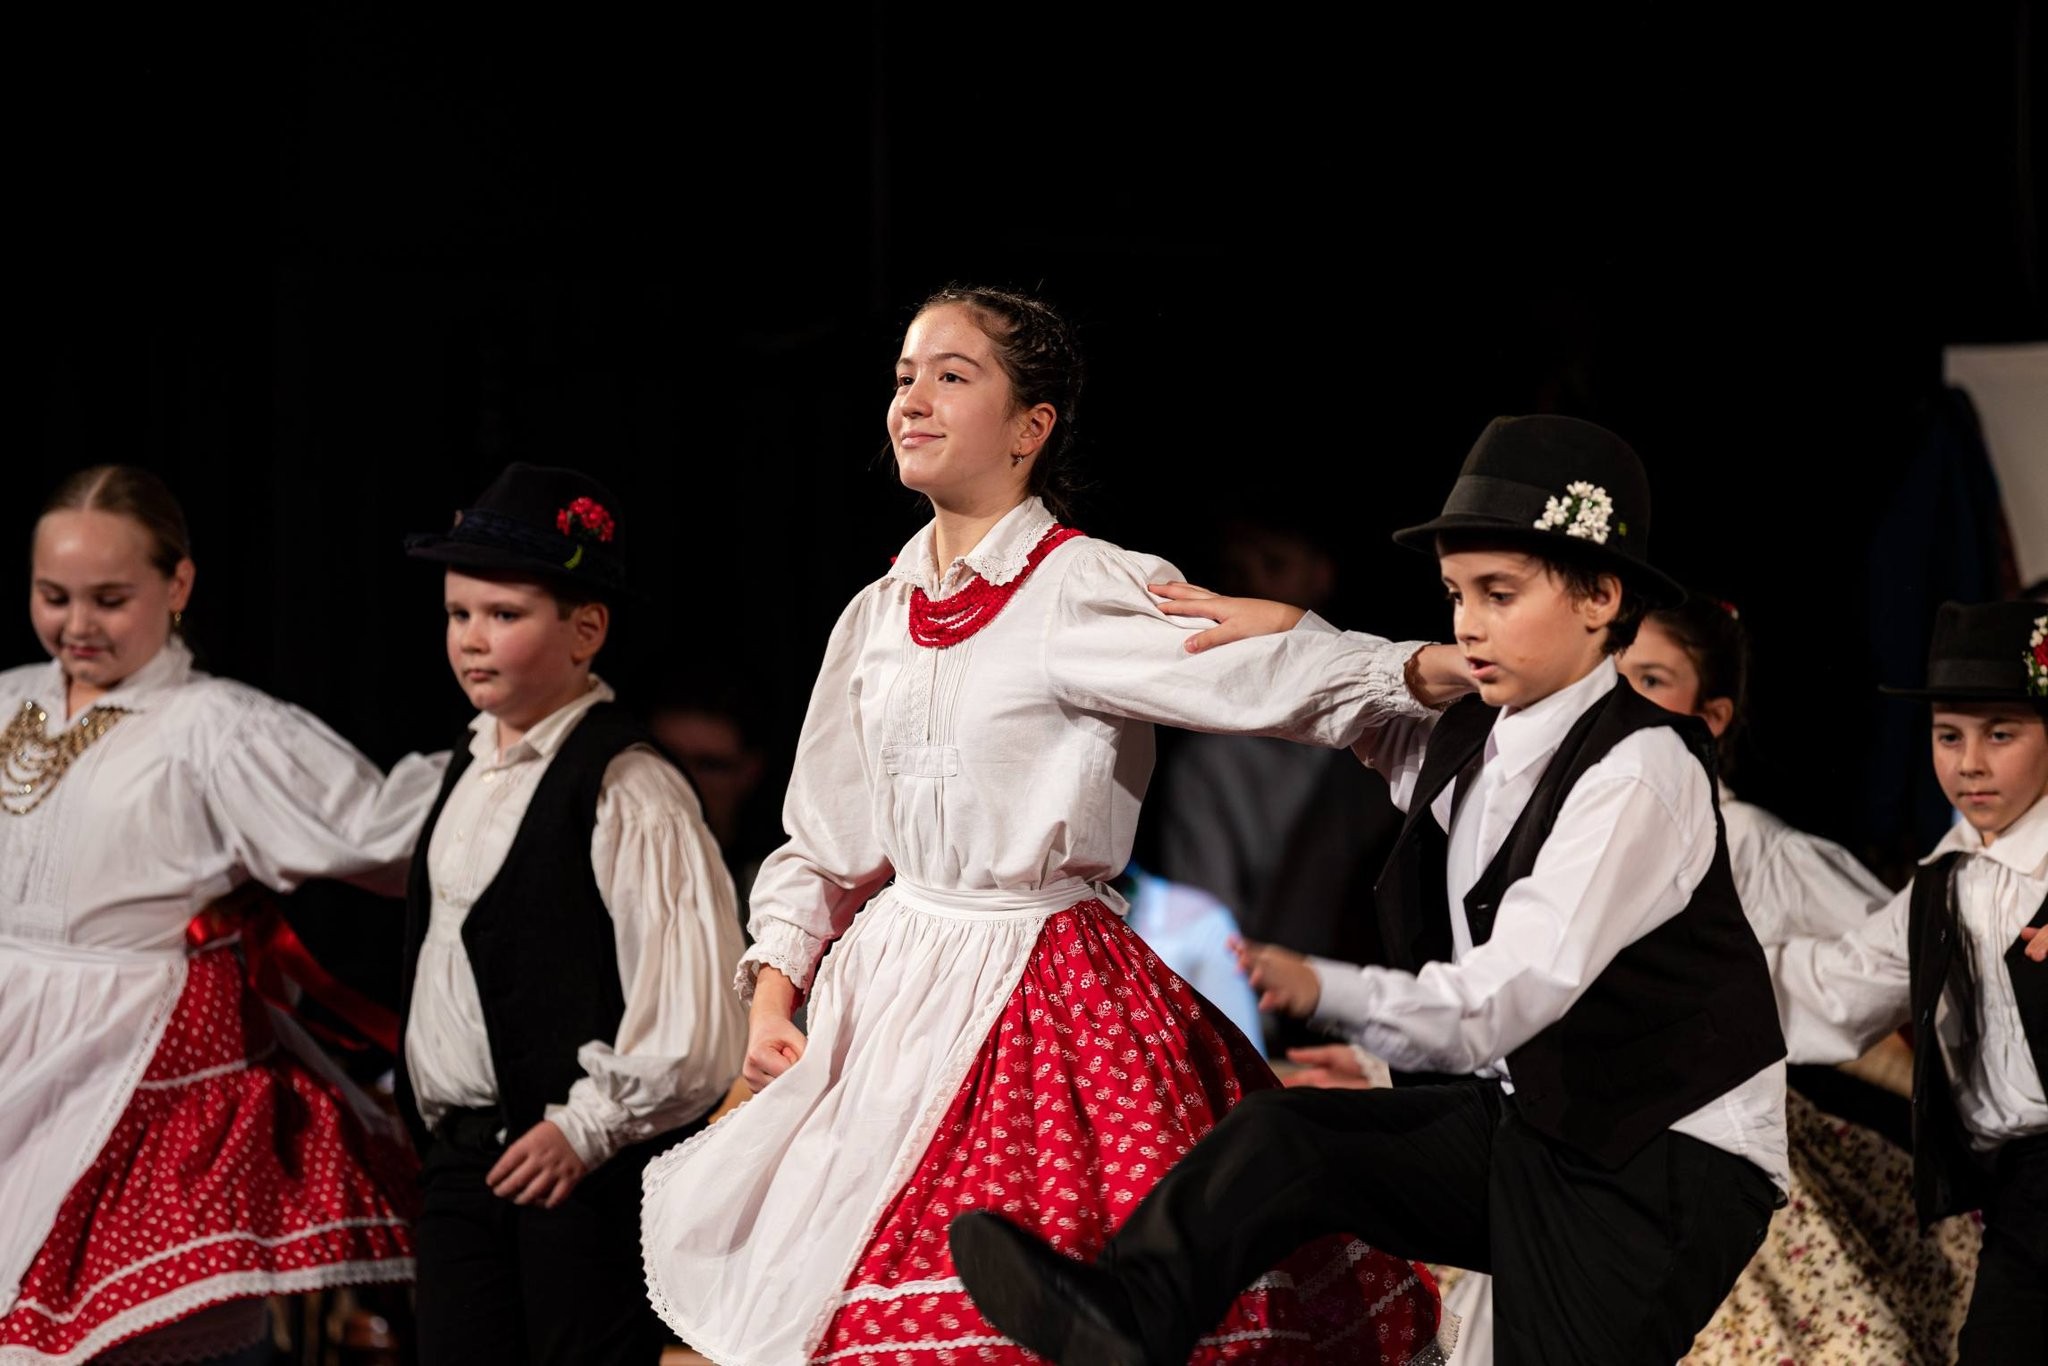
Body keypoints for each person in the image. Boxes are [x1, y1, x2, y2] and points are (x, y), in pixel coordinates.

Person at [638, 284, 1446, 1365]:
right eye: (903, 377)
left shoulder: (1081, 586)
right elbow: (825, 838)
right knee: (836, 1314)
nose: (912, 399)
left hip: (1041, 989)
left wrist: (1427, 667)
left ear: (1031, 427)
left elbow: (1269, 682)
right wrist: (776, 992)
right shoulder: (877, 614)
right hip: (885, 996)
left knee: (1021, 1319)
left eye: (951, 376)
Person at [952, 413, 1791, 1365]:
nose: (1468, 622)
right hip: (1537, 1123)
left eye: (1500, 593)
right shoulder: (1479, 733)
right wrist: (1291, 630)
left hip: (1663, 1159)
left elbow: (1503, 1001)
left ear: (1601, 596)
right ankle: (1131, 1315)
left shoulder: (1641, 770)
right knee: (1286, 1137)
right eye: (1456, 594)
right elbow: (1355, 708)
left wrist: (1324, 987)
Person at [1437, 593, 1983, 1365]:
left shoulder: (1752, 844)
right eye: (1610, 675)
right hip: (1566, 1150)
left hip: (1699, 1165)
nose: (1622, 699)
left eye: (1653, 680)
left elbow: (1897, 961)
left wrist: (1748, 1009)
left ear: (1713, 716)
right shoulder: (1557, 824)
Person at [0, 465, 446, 1366]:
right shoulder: (9, 699)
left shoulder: (213, 726)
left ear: (179, 586)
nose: (78, 625)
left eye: (110, 599)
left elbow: (374, 830)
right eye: (55, 597)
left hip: (122, 1046)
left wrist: (511, 773)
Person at [396, 463, 748, 1366]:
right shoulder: (467, 767)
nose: (472, 639)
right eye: (458, 614)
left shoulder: (628, 787)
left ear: (585, 629)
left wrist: (585, 1127)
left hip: (574, 1174)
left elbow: (695, 1018)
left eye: (503, 615)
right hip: (463, 1166)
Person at [1764, 598, 2048, 1363]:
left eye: (2001, 734)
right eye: (1948, 735)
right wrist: (1687, 985)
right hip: (2020, 1191)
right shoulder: (1942, 883)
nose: (1970, 762)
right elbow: (1839, 983)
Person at [1150, 504, 1404, 1054]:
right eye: (1238, 571)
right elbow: (1207, 909)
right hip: (1273, 1009)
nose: (1254, 586)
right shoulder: (1213, 758)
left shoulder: (1382, 731)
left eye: (1274, 564)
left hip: (1396, 1001)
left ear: (1321, 575)